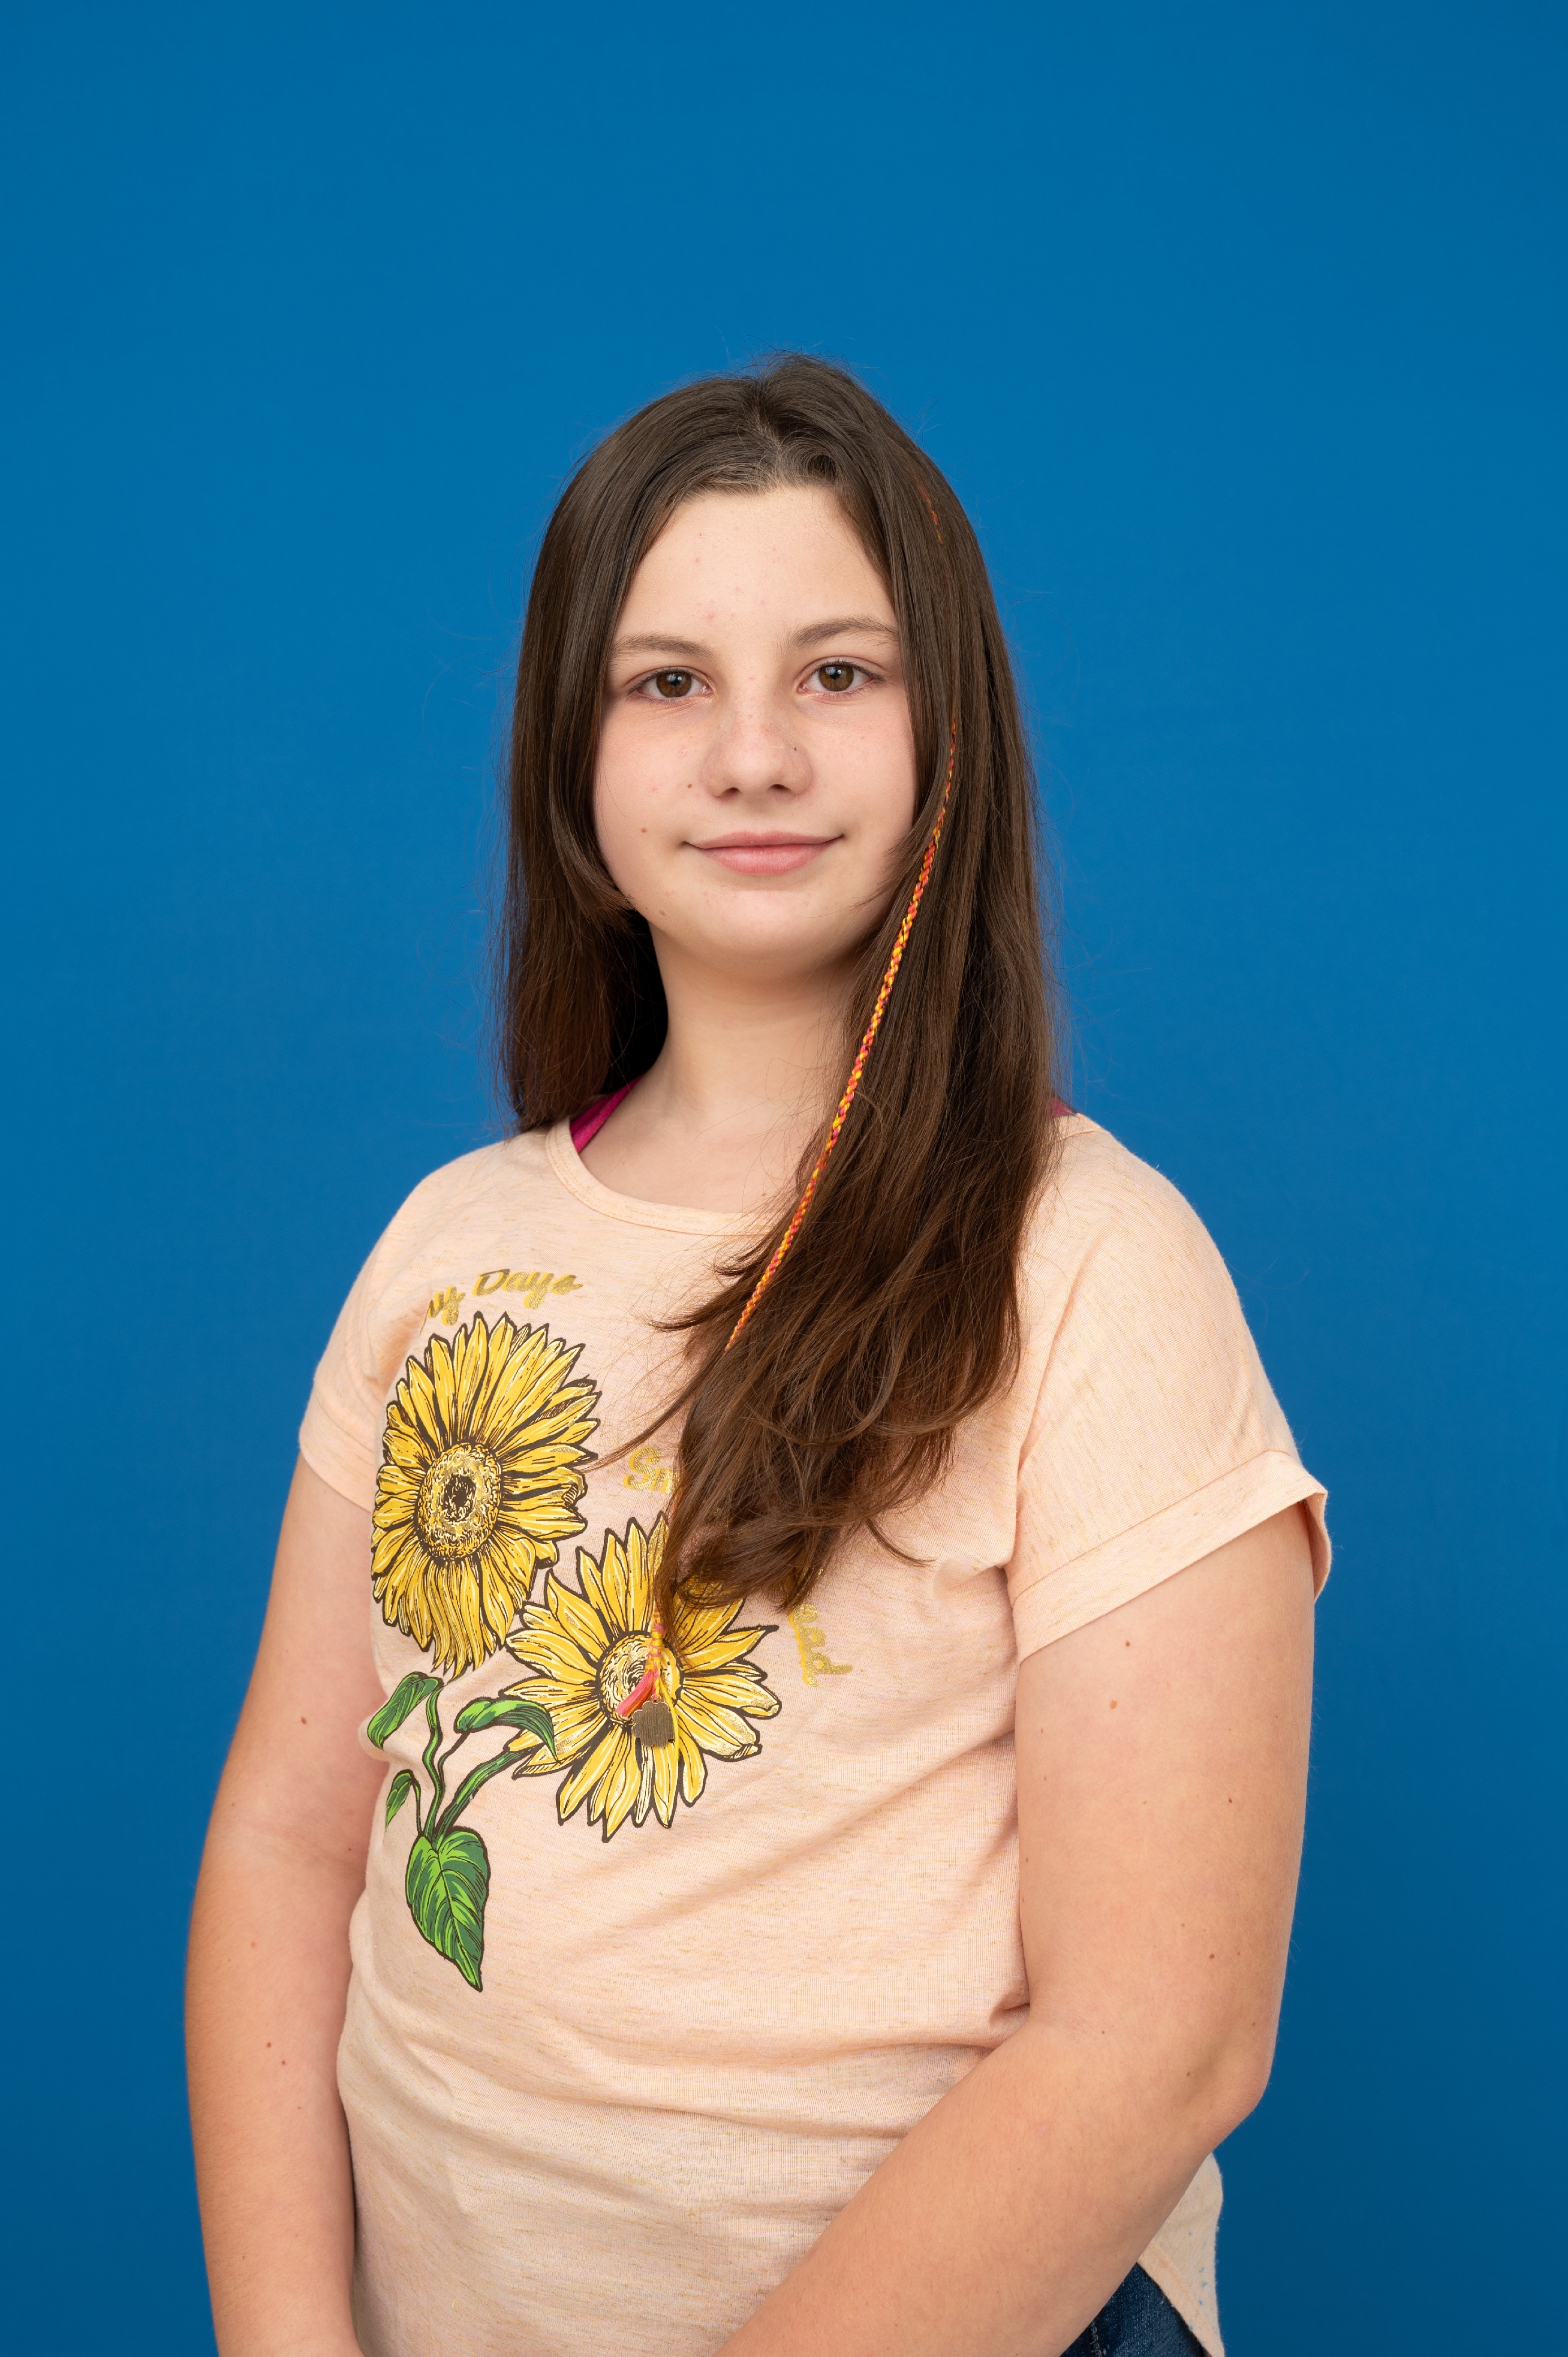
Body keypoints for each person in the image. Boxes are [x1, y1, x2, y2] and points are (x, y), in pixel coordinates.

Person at [186, 354, 1327, 2357]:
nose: (754, 753)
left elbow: (1163, 2037)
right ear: (573, 756)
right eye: (668, 681)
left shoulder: (1090, 1263)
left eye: (838, 672)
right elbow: (292, 1836)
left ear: (948, 730)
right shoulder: (446, 1248)